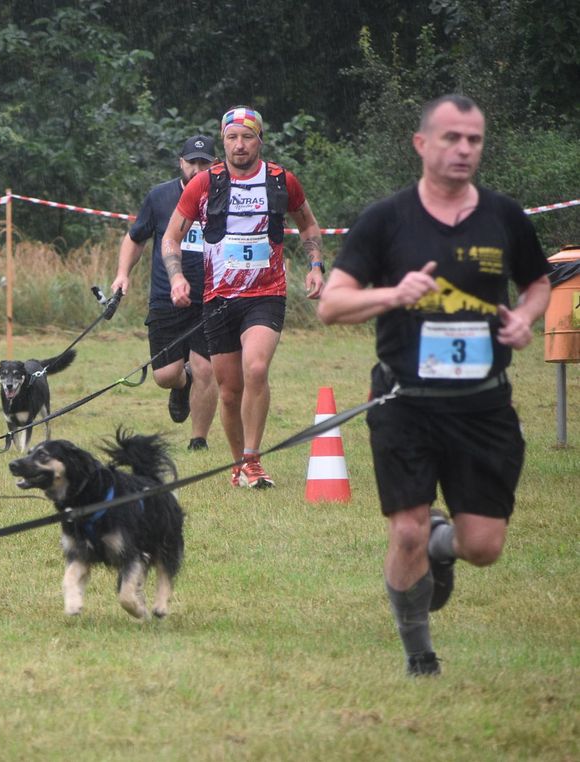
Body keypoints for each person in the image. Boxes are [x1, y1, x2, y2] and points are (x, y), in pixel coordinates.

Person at [318, 94, 550, 676]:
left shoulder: (504, 217)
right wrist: (393, 295)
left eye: (474, 139)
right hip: (405, 402)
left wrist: (526, 316)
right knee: (405, 532)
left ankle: (445, 544)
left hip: (483, 406)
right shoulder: (387, 219)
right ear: (422, 144)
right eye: (451, 138)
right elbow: (332, 304)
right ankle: (419, 652)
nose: (464, 149)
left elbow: (540, 283)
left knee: (484, 547)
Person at [162, 106, 324, 487]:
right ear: (223, 142)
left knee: (256, 368)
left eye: (247, 137)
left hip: (266, 293)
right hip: (219, 298)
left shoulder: (282, 181)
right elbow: (171, 237)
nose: (239, 145)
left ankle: (253, 458)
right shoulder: (205, 183)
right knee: (230, 390)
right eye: (232, 138)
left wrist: (316, 266)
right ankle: (238, 466)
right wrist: (176, 278)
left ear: (259, 140)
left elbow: (309, 225)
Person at [111, 135, 218, 450]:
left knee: (205, 369)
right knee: (165, 375)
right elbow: (135, 238)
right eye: (192, 162)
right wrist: (122, 275)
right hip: (165, 297)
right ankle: (180, 385)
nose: (198, 169)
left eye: (204, 163)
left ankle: (199, 440)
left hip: (212, 299)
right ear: (181, 162)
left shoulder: (224, 197)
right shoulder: (159, 197)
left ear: (214, 164)